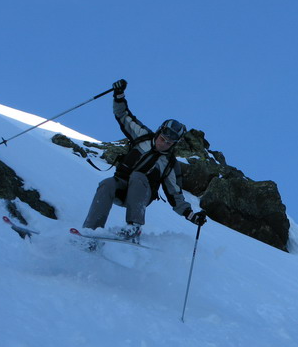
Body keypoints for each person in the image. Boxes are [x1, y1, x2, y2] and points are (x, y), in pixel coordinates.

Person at [82, 79, 206, 241]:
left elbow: (175, 194)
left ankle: (134, 227)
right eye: (163, 139)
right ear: (159, 132)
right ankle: (91, 232)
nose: (164, 144)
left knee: (138, 176)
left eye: (169, 143)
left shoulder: (169, 163)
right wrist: (119, 95)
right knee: (107, 184)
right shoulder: (142, 136)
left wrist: (191, 215)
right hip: (121, 188)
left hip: (141, 196)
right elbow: (124, 116)